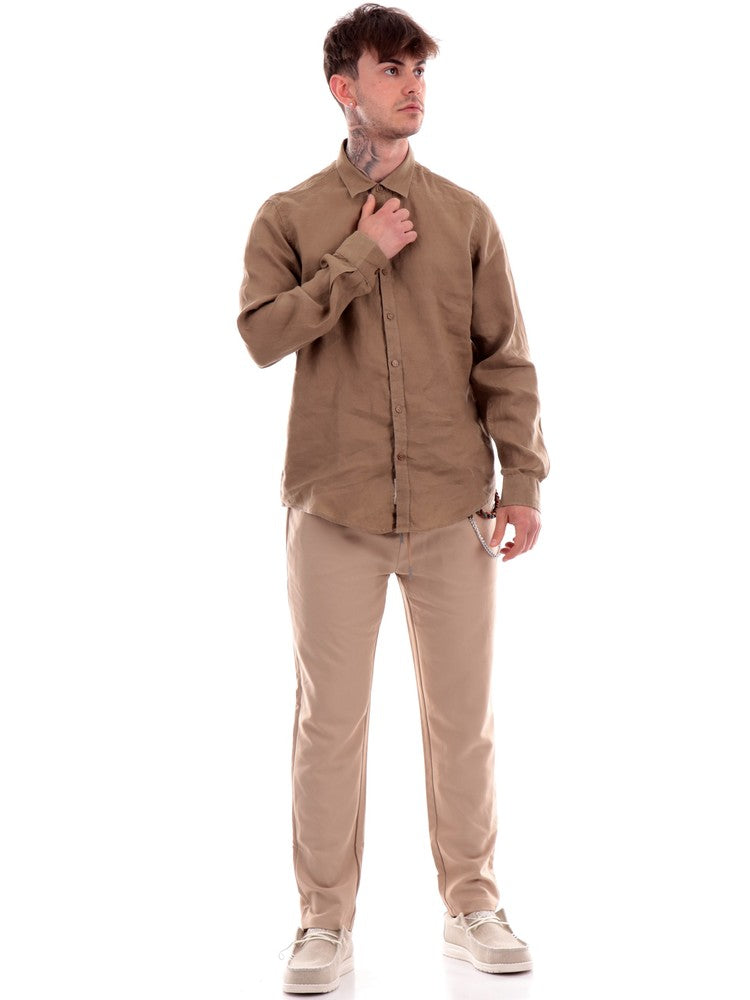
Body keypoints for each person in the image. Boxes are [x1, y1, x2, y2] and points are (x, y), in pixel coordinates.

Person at [236, 3, 550, 992]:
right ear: (344, 89)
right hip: (333, 510)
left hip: (455, 508)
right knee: (328, 723)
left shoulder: (465, 216)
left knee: (464, 720)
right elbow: (261, 335)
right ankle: (323, 924)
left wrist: (523, 479)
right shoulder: (289, 215)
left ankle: (473, 904)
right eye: (391, 70)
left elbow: (505, 358)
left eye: (419, 70)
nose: (412, 87)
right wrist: (360, 251)